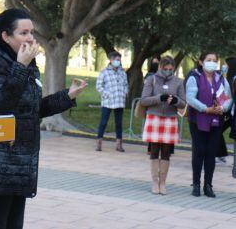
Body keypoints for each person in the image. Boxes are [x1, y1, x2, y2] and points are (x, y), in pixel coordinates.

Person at [0, 8, 87, 229]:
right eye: (23, 33)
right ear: (6, 36)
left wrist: (67, 96)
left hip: (20, 163)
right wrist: (20, 67)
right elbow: (0, 103)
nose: (30, 38)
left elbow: (32, 110)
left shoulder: (25, 64)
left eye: (31, 32)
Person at [186, 52, 233, 198]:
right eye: (208, 60)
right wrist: (205, 109)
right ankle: (196, 184)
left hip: (216, 121)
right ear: (201, 62)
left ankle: (208, 185)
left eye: (214, 60)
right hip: (197, 120)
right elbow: (190, 98)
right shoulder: (194, 77)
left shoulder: (221, 79)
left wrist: (223, 108)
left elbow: (228, 98)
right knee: (199, 151)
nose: (212, 63)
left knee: (211, 153)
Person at [140, 56, 186, 195]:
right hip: (154, 117)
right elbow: (143, 100)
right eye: (165, 69)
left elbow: (183, 103)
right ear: (160, 67)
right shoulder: (151, 79)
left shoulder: (178, 82)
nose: (167, 72)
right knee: (154, 151)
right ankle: (155, 182)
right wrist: (158, 98)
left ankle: (163, 182)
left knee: (166, 153)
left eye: (170, 69)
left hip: (170, 119)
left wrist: (175, 101)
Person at [95, 51, 129, 152]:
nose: (118, 62)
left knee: (119, 123)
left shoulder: (122, 72)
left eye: (119, 60)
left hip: (119, 101)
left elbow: (126, 85)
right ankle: (99, 143)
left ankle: (119, 144)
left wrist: (125, 92)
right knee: (103, 122)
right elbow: (99, 86)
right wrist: (107, 94)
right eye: (116, 60)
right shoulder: (104, 72)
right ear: (111, 60)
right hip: (108, 102)